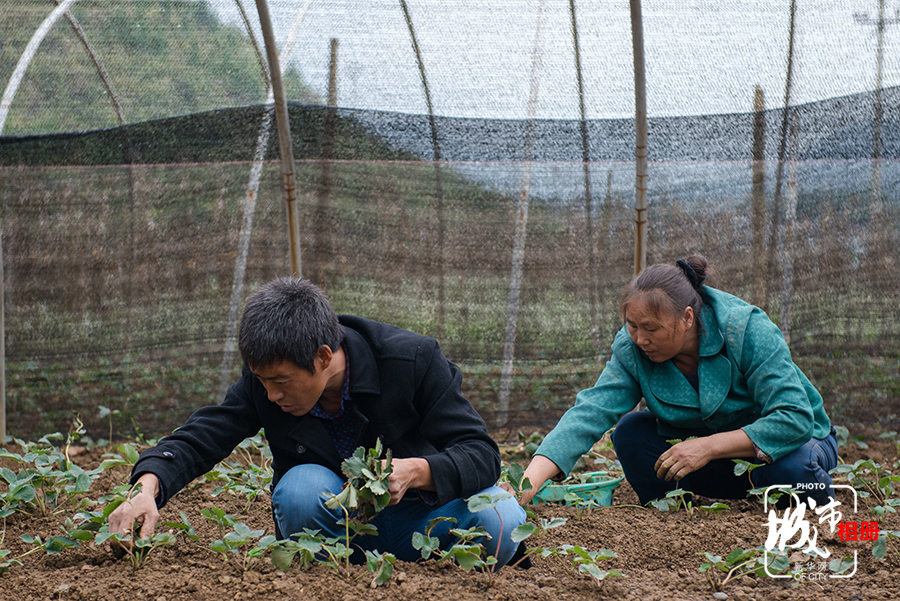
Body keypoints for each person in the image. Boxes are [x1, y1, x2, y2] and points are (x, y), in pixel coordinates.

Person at [110, 277, 526, 566]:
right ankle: (333, 580)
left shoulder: (411, 362)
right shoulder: (266, 384)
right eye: (262, 382)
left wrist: (416, 471)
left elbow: (482, 453)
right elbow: (203, 436)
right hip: (333, 534)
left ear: (324, 357)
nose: (272, 396)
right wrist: (146, 489)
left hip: (424, 524)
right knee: (301, 488)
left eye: (281, 382)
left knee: (500, 515)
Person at [513, 254, 837, 508]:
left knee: (791, 471)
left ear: (686, 318)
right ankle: (672, 512)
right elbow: (589, 413)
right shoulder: (632, 349)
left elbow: (794, 417)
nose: (640, 339)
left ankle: (791, 495)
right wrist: (525, 486)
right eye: (632, 326)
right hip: (707, 454)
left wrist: (708, 446)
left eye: (650, 328)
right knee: (632, 434)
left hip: (783, 445)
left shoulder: (745, 329)